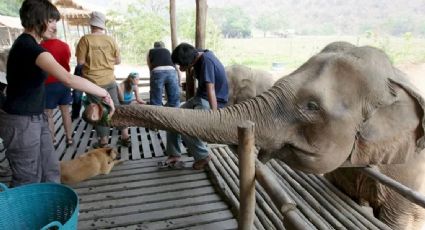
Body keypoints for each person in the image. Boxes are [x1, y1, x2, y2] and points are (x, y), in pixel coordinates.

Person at [0, 0, 115, 187]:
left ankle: (50, 208)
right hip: (20, 121)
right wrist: (104, 93)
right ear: (38, 20)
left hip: (37, 116)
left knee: (50, 168)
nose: (55, 26)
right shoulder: (30, 48)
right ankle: (23, 214)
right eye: (51, 20)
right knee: (27, 177)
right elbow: (67, 79)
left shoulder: (32, 46)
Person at [166, 43, 229, 170]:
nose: (180, 67)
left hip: (213, 101)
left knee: (185, 124)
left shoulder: (207, 61)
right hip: (200, 98)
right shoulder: (198, 53)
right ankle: (174, 154)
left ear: (188, 61)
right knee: (171, 117)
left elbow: (210, 89)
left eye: (180, 64)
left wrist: (215, 115)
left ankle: (203, 156)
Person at [76, 11, 129, 148]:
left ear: (91, 24)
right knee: (115, 108)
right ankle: (125, 136)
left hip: (93, 84)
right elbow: (118, 61)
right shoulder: (110, 39)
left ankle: (104, 142)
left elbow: (80, 62)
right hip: (110, 80)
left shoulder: (85, 40)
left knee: (99, 110)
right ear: (102, 25)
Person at [40, 28, 73, 146]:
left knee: (48, 114)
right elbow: (66, 61)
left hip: (48, 84)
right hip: (64, 82)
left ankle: (52, 140)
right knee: (66, 112)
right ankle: (69, 138)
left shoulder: (40, 47)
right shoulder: (65, 46)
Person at [147, 41, 180, 107]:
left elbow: (149, 65)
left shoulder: (151, 51)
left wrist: (152, 77)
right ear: (163, 46)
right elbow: (176, 67)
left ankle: (157, 113)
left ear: (154, 46)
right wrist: (179, 79)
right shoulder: (168, 51)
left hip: (157, 71)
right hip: (171, 71)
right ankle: (175, 114)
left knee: (156, 100)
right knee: (174, 100)